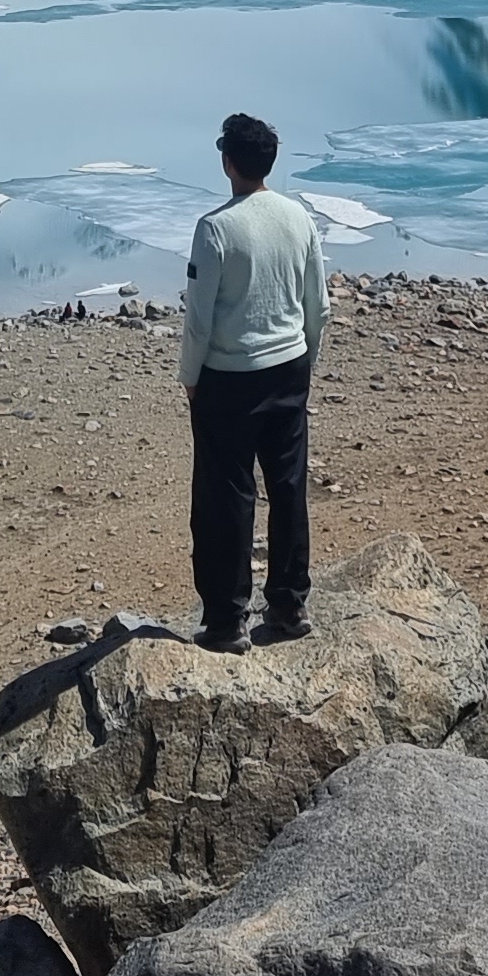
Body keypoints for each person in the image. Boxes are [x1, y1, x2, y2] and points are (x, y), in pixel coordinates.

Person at [175, 110, 326, 651]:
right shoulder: (299, 218)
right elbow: (319, 306)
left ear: (228, 162)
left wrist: (190, 377)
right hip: (289, 368)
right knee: (288, 489)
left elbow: (199, 317)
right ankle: (288, 605)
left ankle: (225, 619)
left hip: (228, 379)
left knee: (225, 498)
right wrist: (306, 361)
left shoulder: (215, 229)